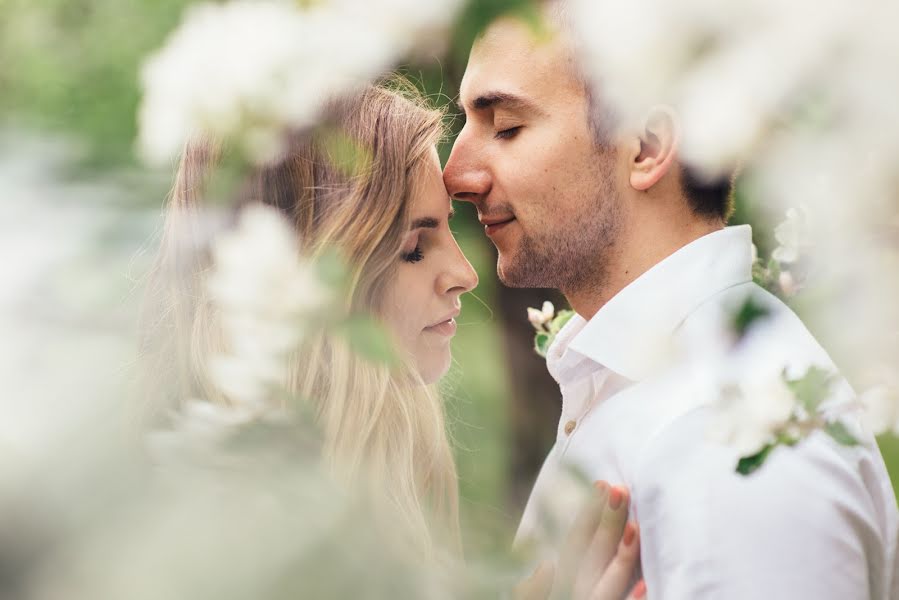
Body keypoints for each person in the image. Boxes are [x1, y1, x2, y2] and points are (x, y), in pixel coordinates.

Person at [443, 5, 899, 599]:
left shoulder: (732, 438)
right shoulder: (628, 386)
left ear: (646, 147)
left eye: (505, 127)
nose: (456, 174)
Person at [138, 80, 643, 598]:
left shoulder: (382, 486)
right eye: (414, 249)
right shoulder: (241, 537)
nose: (466, 273)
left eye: (449, 228)